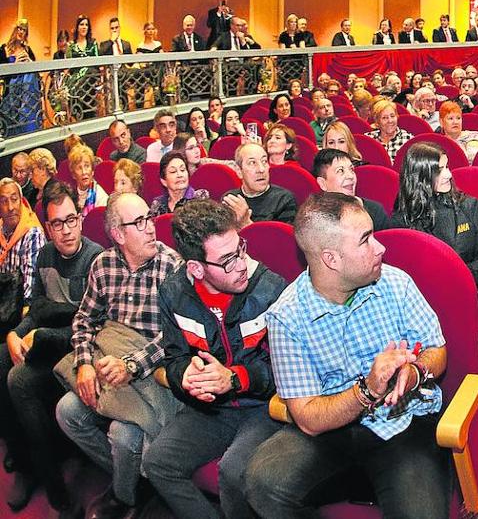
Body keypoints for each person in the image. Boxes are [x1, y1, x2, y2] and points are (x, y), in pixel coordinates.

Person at [243, 192, 451, 518]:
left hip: (403, 425)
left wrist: (415, 373)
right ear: (332, 259)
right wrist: (368, 389)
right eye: (365, 240)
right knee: (262, 481)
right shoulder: (286, 316)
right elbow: (309, 419)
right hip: (332, 430)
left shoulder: (395, 283)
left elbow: (437, 350)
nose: (381, 248)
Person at [145, 199, 287, 519]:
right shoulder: (173, 292)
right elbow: (174, 356)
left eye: (241, 248)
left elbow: (289, 373)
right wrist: (186, 378)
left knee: (234, 473)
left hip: (262, 407)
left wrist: (235, 378)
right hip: (211, 410)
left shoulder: (271, 288)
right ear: (195, 268)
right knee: (157, 463)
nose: (241, 264)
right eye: (227, 260)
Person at [56, 193, 183, 519]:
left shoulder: (171, 266)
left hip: (151, 370)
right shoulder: (103, 265)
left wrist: (131, 365)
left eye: (149, 218)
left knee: (123, 433)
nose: (151, 228)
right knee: (67, 411)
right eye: (138, 223)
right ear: (117, 233)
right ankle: (136, 478)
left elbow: (176, 337)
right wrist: (83, 363)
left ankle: (124, 496)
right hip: (107, 359)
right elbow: (84, 321)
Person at [3, 182, 101, 512]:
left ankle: (57, 494)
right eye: (57, 223)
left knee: (20, 380)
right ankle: (24, 461)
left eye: (71, 219)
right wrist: (16, 333)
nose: (66, 230)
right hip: (48, 341)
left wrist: (42, 330)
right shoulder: (45, 254)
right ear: (49, 227)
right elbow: (38, 305)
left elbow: (90, 323)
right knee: (2, 357)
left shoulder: (95, 258)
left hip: (81, 347)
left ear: (81, 218)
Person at [392, 144, 478, 349]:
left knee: (463, 325)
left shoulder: (470, 207)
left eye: (447, 167)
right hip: (426, 301)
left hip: (475, 292)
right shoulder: (402, 219)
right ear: (420, 176)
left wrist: (457, 280)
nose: (449, 174)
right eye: (440, 170)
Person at [313, 148, 389, 232]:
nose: (350, 176)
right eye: (340, 171)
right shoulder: (315, 218)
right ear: (322, 183)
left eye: (351, 169)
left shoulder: (374, 211)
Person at [222, 143, 298, 227]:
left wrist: (246, 223)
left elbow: (281, 239)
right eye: (252, 163)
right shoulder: (231, 200)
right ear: (239, 171)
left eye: (264, 161)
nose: (261, 169)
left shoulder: (284, 199)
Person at [149, 151, 207, 215]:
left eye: (182, 170)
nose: (180, 175)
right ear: (164, 181)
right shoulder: (158, 205)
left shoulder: (199, 198)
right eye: (173, 172)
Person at [366, 99, 413, 164]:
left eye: (392, 116)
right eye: (384, 118)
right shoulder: (368, 139)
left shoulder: (409, 139)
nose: (390, 121)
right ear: (377, 122)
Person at [67, 143, 108, 214]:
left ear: (92, 170)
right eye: (79, 168)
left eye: (87, 166)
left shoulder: (100, 196)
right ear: (73, 174)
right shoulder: (70, 195)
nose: (84, 172)